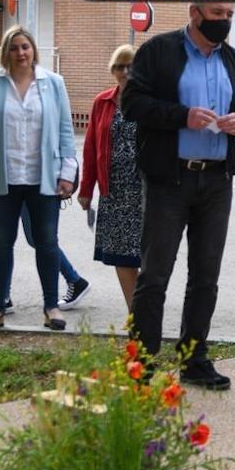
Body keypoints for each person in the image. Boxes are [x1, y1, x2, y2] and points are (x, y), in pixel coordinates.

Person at [121, 2, 235, 388]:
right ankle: (142, 362)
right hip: (169, 180)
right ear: (195, 13)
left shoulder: (233, 60)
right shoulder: (158, 51)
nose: (225, 21)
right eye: (218, 14)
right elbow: (132, 104)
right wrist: (182, 116)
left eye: (229, 15)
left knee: (205, 277)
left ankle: (194, 360)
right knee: (155, 275)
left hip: (216, 182)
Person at [0, 25, 78, 332]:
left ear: (33, 50)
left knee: (47, 243)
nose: (21, 53)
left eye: (25, 47)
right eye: (14, 47)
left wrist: (67, 174)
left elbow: (66, 132)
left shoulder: (53, 83)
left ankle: (52, 307)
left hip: (43, 178)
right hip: (3, 178)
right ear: (6, 52)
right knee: (1, 243)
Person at [78, 43, 143, 314]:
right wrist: (86, 189)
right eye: (119, 66)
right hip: (114, 191)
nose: (125, 71)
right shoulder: (102, 102)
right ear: (112, 70)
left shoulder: (148, 100)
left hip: (144, 191)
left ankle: (145, 310)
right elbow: (91, 147)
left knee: (146, 257)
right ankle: (136, 313)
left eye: (130, 65)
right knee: (121, 256)